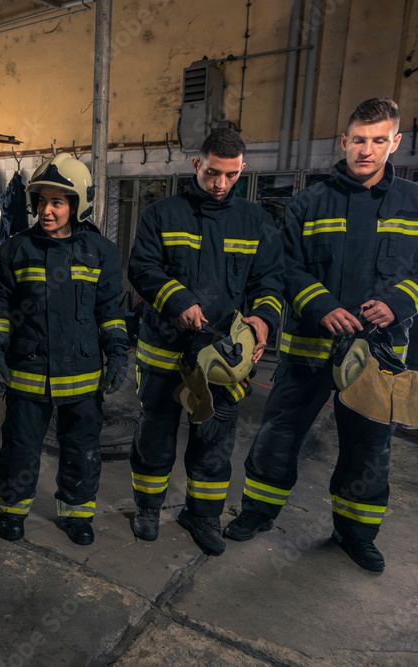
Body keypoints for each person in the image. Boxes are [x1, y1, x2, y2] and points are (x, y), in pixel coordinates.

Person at [227, 98, 418, 572]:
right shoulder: (308, 201)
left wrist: (398, 302)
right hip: (310, 347)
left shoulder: (414, 203)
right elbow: (283, 267)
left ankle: (355, 533)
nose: (366, 150)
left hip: (377, 353)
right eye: (358, 140)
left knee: (369, 445)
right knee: (279, 432)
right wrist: (320, 305)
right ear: (344, 142)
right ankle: (257, 511)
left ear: (394, 143)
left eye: (378, 141)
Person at [127, 128, 284, 556]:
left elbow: (270, 281)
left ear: (242, 170)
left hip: (223, 359)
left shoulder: (256, 222)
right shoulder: (161, 215)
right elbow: (142, 268)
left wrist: (264, 320)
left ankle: (203, 514)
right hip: (164, 352)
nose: (220, 184)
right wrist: (177, 300)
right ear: (197, 164)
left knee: (214, 440)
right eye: (213, 172)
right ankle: (147, 507)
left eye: (231, 176)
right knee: (155, 433)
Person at [0, 153, 129, 545]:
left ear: (76, 204)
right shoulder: (14, 250)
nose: (46, 211)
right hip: (28, 371)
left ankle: (77, 515)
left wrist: (117, 351)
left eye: (57, 203)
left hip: (82, 371)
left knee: (81, 447)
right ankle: (12, 511)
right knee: (20, 445)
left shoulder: (100, 252)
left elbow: (108, 309)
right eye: (42, 202)